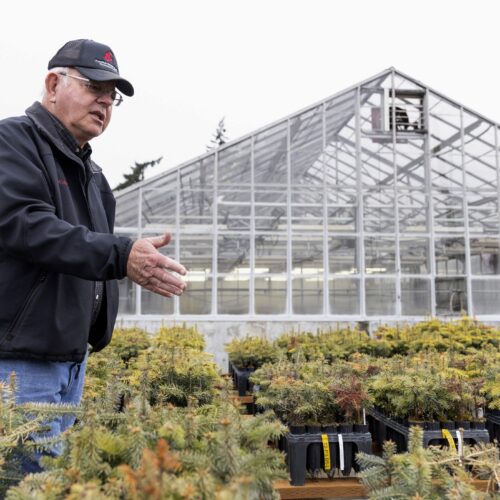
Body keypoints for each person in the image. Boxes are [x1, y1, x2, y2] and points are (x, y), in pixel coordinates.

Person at [0, 39, 187, 471]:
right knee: (25, 482)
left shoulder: (93, 175)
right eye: (94, 87)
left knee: (53, 477)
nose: (105, 102)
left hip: (70, 361)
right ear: (52, 83)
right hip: (19, 363)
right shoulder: (12, 142)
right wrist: (122, 254)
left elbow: (85, 251)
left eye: (112, 97)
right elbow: (29, 226)